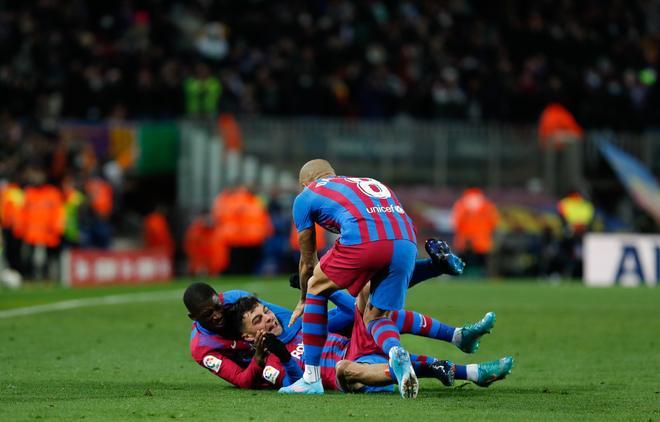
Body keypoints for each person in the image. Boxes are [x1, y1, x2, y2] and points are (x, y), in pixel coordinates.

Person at [183, 239, 467, 389]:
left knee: (370, 298)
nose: (219, 315)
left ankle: (437, 269)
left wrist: (312, 293)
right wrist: (262, 358)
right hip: (284, 356)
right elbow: (243, 381)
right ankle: (441, 357)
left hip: (303, 335)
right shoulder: (203, 348)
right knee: (369, 305)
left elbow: (281, 319)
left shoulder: (233, 300)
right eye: (210, 314)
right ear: (195, 319)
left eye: (219, 306)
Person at [283, 159, 424, 397]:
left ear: (304, 183)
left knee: (317, 286)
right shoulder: (367, 181)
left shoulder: (306, 196)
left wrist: (304, 298)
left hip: (366, 239)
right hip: (407, 242)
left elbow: (308, 260)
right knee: (375, 314)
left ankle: (310, 378)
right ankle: (395, 352)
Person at [223, 286, 511, 393]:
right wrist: (283, 357)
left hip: (358, 347)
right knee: (343, 367)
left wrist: (320, 288)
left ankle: (457, 335)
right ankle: (473, 373)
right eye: (258, 320)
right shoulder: (268, 360)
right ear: (248, 336)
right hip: (352, 376)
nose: (269, 318)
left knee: (372, 305)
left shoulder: (300, 324)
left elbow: (350, 311)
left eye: (266, 312)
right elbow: (292, 385)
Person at [451, 187, 499, 277]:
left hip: (464, 240)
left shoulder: (461, 204)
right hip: (482, 241)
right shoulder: (487, 204)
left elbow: (456, 223)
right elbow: (493, 222)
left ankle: (462, 278)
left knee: (462, 265)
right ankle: (485, 277)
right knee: (483, 265)